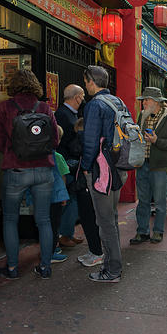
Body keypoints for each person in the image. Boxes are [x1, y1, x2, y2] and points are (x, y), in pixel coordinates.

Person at [0, 68, 58, 279]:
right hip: (44, 170)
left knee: (10, 219)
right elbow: (55, 140)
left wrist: (12, 152)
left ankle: (12, 268)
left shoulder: (4, 108)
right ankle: (45, 267)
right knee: (44, 220)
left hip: (16, 169)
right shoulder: (44, 108)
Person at [79, 65, 130, 282]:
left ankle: (112, 270)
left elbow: (90, 142)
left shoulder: (94, 105)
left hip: (102, 172)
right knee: (112, 218)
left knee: (105, 221)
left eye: (86, 81)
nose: (85, 85)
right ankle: (113, 265)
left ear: (91, 81)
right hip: (119, 168)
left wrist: (86, 167)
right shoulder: (118, 102)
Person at [55, 85, 104, 266]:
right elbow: (66, 143)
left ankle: (68, 233)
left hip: (75, 166)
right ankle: (64, 235)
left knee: (75, 201)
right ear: (76, 97)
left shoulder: (71, 115)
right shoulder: (63, 115)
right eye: (82, 96)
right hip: (69, 166)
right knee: (70, 200)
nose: (83, 100)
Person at [130, 86, 167, 245]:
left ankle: (158, 231)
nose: (143, 103)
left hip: (160, 165)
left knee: (159, 201)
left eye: (146, 100)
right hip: (143, 163)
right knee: (143, 201)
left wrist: (156, 141)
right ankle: (142, 231)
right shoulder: (142, 116)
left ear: (157, 102)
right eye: (143, 100)